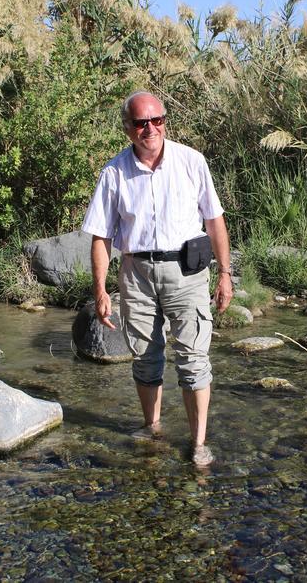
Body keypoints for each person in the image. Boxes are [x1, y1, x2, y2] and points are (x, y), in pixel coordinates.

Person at [81, 90, 233, 467]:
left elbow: (214, 220)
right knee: (145, 357)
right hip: (136, 274)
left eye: (157, 120)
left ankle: (198, 444)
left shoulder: (191, 161)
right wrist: (100, 290)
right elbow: (100, 236)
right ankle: (152, 426)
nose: (150, 128)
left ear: (165, 121)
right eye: (140, 122)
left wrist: (226, 274)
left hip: (188, 273)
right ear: (128, 128)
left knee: (193, 359)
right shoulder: (114, 172)